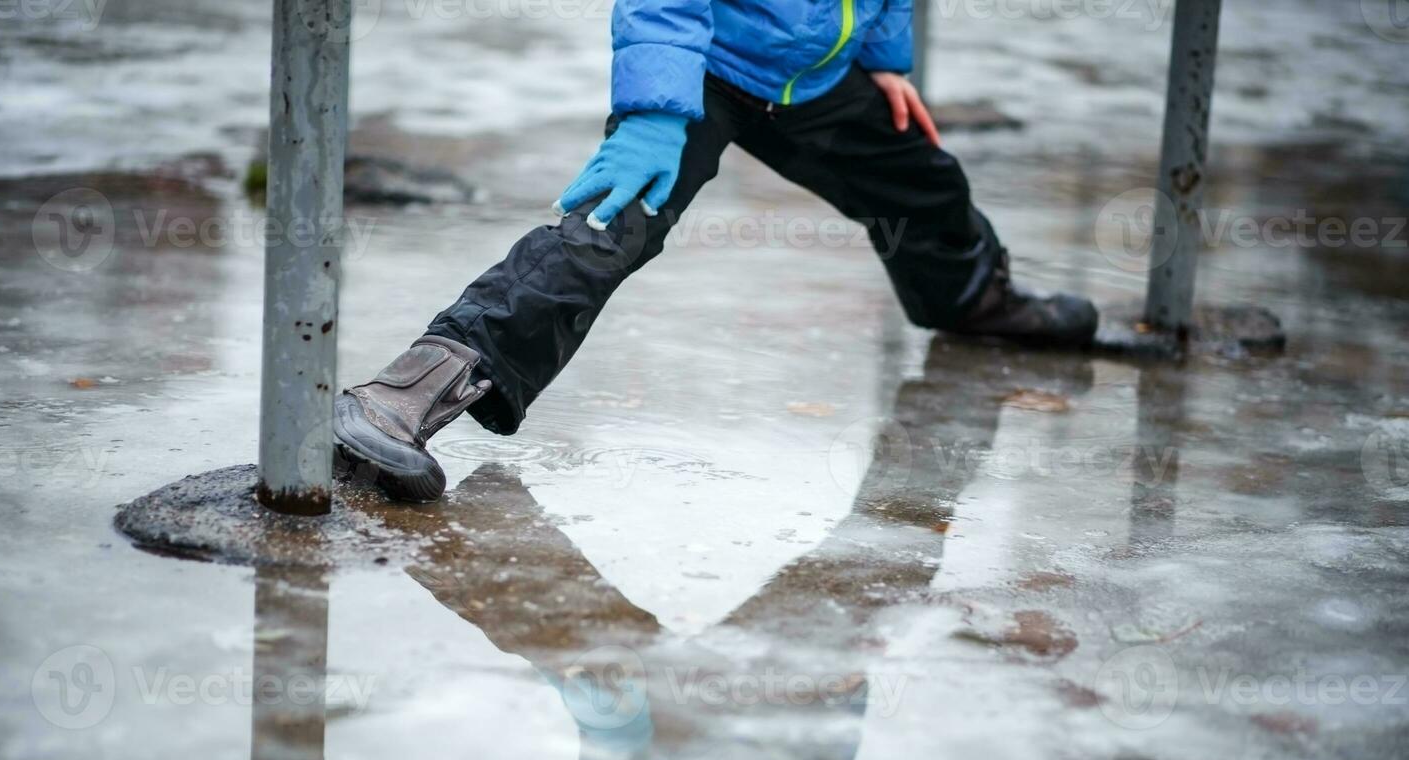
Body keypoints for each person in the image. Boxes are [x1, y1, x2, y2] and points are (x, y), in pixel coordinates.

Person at [331, 0, 1099, 502]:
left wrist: (888, 56)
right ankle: (409, 390)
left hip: (817, 77)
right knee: (613, 224)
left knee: (923, 180)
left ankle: (971, 301)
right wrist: (655, 111)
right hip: (704, 71)